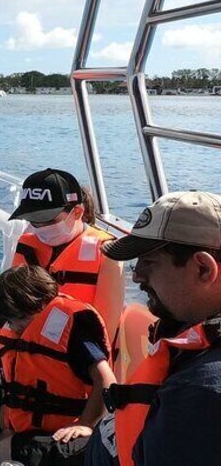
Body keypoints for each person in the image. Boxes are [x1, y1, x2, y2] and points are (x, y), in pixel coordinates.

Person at [0, 169, 123, 464]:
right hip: (6, 345)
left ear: (76, 211)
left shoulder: (106, 254)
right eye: (33, 220)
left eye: (47, 220)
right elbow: (9, 292)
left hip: (56, 361)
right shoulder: (30, 241)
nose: (38, 227)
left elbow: (102, 330)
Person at [86, 191, 221, 466]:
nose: (136, 276)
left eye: (148, 262)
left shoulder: (198, 395)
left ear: (204, 269)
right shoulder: (194, 322)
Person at [0, 266, 115, 466]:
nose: (15, 328)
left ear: (40, 304)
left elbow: (107, 381)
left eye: (19, 319)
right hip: (40, 430)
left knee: (6, 448)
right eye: (10, 323)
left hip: (77, 433)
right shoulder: (24, 333)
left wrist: (85, 423)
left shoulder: (72, 328)